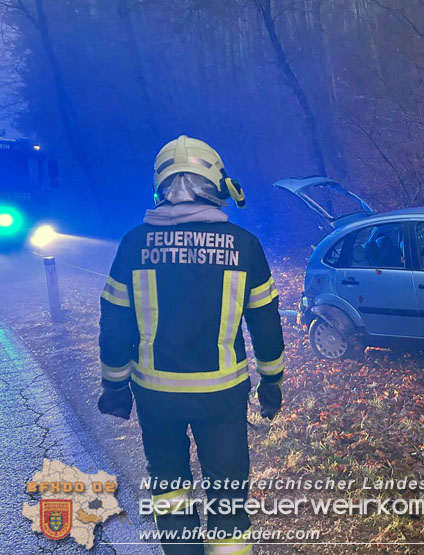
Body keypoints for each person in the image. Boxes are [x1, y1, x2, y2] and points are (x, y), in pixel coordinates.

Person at [97, 135, 285, 555]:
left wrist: (113, 385)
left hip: (156, 396)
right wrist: (271, 381)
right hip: (221, 396)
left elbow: (114, 322)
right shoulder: (244, 246)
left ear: (160, 186)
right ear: (216, 183)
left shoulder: (133, 244)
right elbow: (266, 322)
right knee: (228, 494)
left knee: (169, 489)